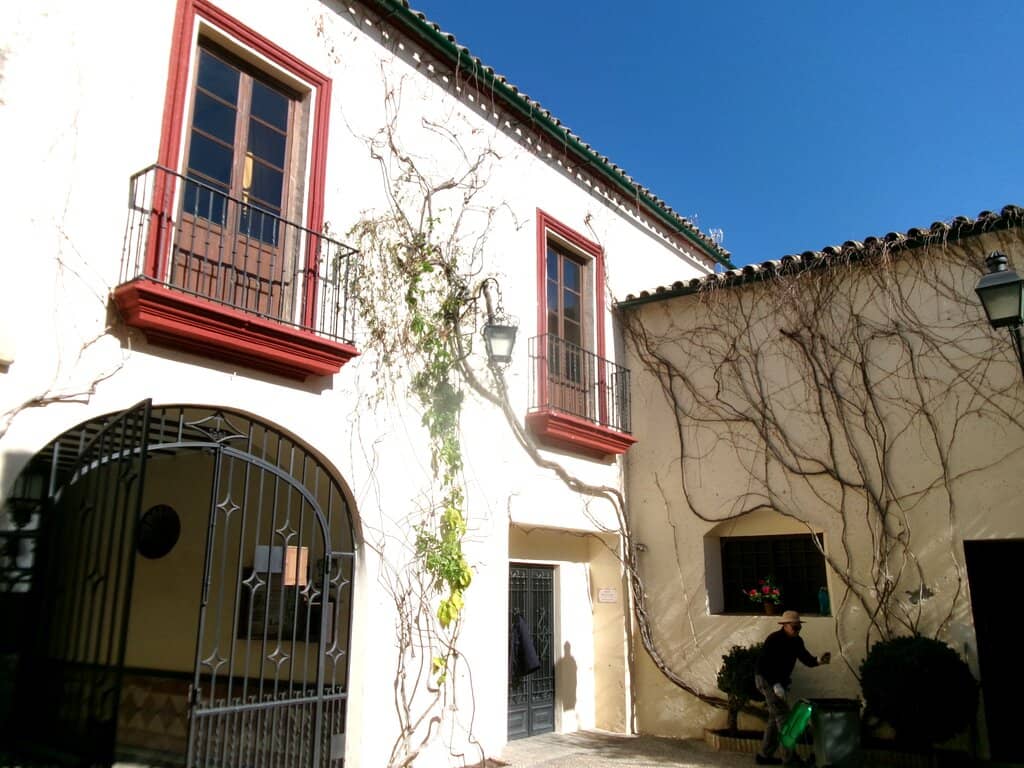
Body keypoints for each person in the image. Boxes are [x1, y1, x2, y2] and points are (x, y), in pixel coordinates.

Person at [754, 610, 831, 766]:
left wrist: (819, 660)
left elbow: (806, 659)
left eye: (799, 628)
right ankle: (789, 759)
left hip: (779, 682)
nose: (797, 630)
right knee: (784, 719)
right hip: (766, 679)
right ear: (785, 626)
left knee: (774, 719)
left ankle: (764, 755)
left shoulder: (797, 641)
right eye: (794, 628)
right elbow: (764, 665)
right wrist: (775, 684)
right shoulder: (774, 640)